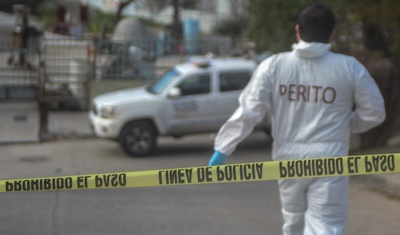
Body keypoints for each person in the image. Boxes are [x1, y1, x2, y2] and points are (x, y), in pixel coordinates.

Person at [208, 4, 386, 235]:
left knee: (292, 220)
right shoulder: (349, 67)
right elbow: (375, 112)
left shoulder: (273, 65)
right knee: (326, 225)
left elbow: (250, 110)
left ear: (297, 31)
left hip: (287, 156)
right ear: (331, 33)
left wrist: (223, 147)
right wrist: (349, 124)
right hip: (330, 157)